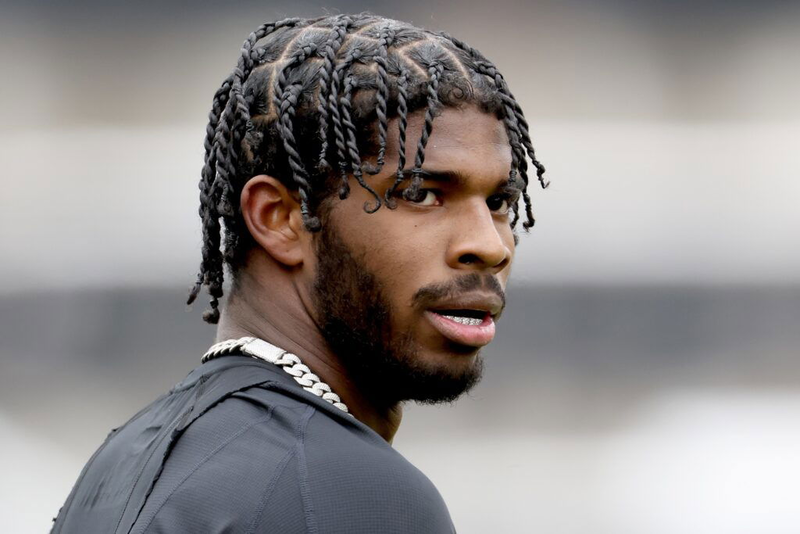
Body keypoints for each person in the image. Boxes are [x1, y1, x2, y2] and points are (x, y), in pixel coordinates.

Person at [51, 13, 548, 533]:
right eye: (420, 193)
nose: (490, 247)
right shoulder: (356, 493)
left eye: (499, 202)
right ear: (279, 219)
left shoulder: (117, 468)